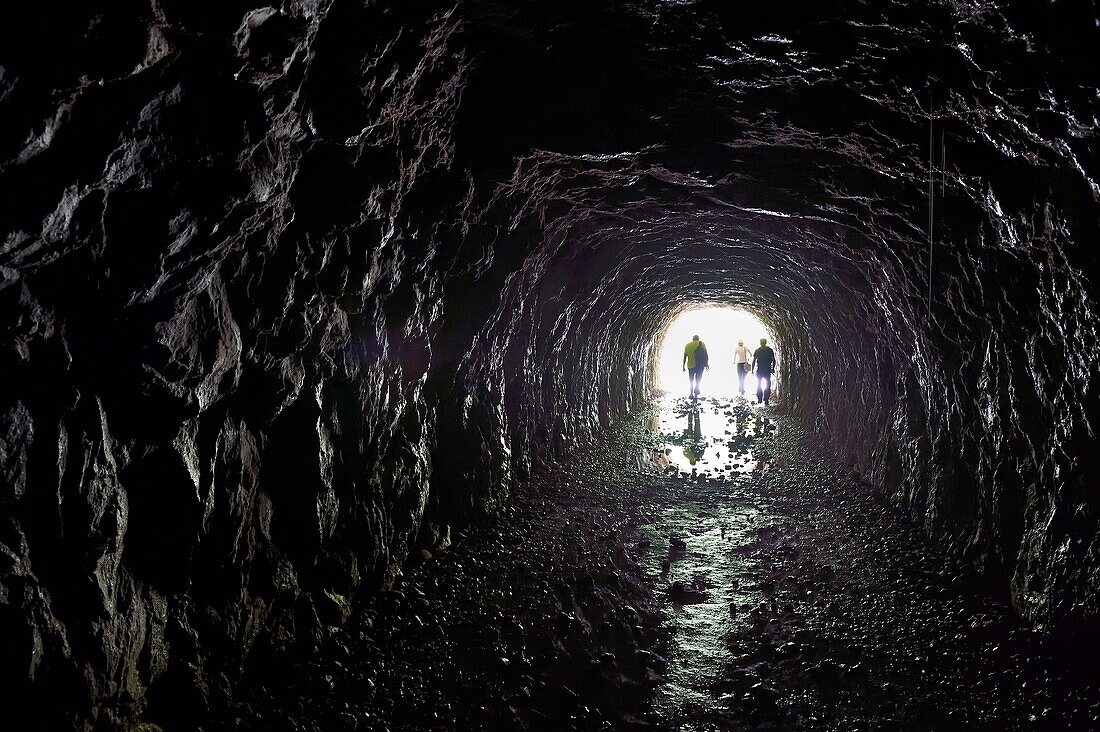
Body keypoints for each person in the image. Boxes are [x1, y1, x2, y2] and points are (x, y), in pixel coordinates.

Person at [682, 335, 709, 399]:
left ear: (693, 339)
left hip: (690, 366)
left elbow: (685, 357)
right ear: (698, 339)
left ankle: (691, 394)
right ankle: (696, 395)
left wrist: (683, 366)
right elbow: (706, 355)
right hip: (700, 365)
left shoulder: (687, 345)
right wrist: (707, 364)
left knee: (691, 380)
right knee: (698, 379)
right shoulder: (702, 344)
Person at [751, 338, 776, 405]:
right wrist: (773, 368)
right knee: (767, 384)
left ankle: (760, 399)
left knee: (759, 384)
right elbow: (773, 360)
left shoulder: (757, 351)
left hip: (760, 370)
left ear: (760, 343)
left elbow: (754, 361)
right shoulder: (769, 350)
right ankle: (765, 399)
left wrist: (752, 370)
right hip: (766, 370)